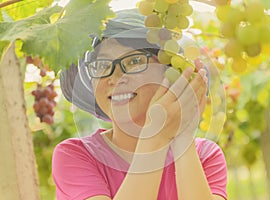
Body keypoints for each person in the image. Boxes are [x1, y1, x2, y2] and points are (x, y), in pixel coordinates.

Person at [52, 9, 227, 200]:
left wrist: (183, 138)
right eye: (102, 65)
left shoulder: (205, 156)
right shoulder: (76, 155)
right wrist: (155, 134)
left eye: (134, 61)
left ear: (167, 74)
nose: (115, 77)